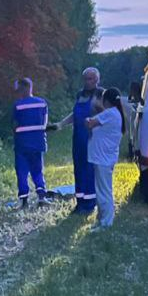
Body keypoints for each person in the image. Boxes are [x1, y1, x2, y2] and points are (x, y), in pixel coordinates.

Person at [51, 67, 102, 214]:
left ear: (97, 80)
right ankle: (80, 202)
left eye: (91, 79)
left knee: (89, 169)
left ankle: (90, 203)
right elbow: (75, 114)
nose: (88, 82)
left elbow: (105, 116)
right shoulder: (80, 94)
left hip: (91, 137)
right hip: (78, 137)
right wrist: (60, 124)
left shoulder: (100, 94)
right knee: (79, 169)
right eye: (85, 78)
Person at [85, 87, 126, 228]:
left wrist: (89, 115)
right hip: (105, 157)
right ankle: (102, 218)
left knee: (104, 192)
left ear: (106, 100)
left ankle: (106, 222)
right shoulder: (115, 113)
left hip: (103, 158)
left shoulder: (109, 113)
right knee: (102, 189)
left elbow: (89, 123)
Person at [10, 77, 50, 208]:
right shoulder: (42, 103)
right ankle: (41, 196)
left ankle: (24, 200)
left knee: (22, 171)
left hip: (22, 144)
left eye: (19, 89)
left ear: (25, 88)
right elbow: (44, 122)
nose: (18, 92)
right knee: (37, 170)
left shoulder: (18, 105)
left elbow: (14, 124)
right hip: (38, 142)